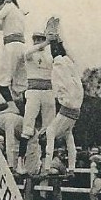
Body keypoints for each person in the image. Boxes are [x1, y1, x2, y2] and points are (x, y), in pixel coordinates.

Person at [40, 37, 82, 175]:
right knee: (66, 66)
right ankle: (56, 41)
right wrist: (71, 169)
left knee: (62, 66)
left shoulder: (51, 130)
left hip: (75, 104)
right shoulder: (64, 130)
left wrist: (46, 168)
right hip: (73, 104)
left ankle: (54, 40)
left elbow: (50, 147)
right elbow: (71, 147)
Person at [20, 32, 54, 162]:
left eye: (41, 39)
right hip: (34, 92)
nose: (38, 41)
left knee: (49, 128)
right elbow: (27, 53)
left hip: (48, 92)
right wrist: (46, 42)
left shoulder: (49, 56)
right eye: (36, 39)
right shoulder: (30, 53)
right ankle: (20, 162)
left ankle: (47, 162)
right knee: (28, 125)